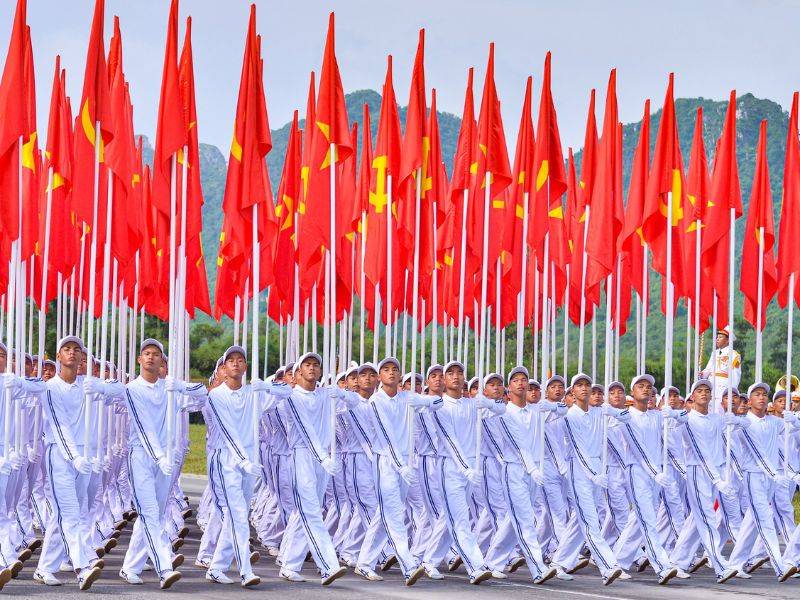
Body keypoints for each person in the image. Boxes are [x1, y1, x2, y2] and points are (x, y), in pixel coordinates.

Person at [118, 338, 205, 588]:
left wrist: (180, 386)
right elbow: (144, 428)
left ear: (162, 361)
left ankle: (129, 567)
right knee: (150, 514)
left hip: (165, 457)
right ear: (139, 359)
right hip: (143, 456)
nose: (151, 357)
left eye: (156, 354)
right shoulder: (132, 389)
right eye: (146, 353)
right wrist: (159, 457)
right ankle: (164, 567)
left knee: (152, 514)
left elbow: (201, 398)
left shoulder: (169, 389)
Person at [204, 345, 293, 587]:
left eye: (240, 360)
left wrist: (266, 386)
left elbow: (287, 390)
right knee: (239, 517)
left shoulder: (253, 393)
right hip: (229, 461)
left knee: (237, 517)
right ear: (224, 367)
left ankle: (216, 567)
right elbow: (228, 431)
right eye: (231, 360)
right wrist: (243, 460)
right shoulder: (216, 395)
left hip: (249, 463)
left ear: (245, 366)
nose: (235, 363)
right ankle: (245, 570)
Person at [354, 357, 442, 585]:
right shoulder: (376, 401)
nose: (391, 373)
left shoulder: (407, 398)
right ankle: (409, 564)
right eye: (386, 370)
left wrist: (437, 400)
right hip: (385, 463)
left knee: (384, 515)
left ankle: (364, 562)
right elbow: (386, 436)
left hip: (405, 464)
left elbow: (432, 402)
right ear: (379, 376)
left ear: (400, 375)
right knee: (393, 513)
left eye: (395, 369)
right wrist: (401, 465)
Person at [33, 336, 106, 589]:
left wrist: (100, 389)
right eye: (67, 349)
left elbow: (120, 390)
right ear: (59, 356)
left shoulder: (87, 385)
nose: (72, 353)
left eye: (77, 350)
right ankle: (82, 566)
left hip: (83, 458)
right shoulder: (50, 388)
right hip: (61, 457)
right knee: (71, 514)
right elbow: (60, 426)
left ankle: (44, 569)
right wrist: (74, 457)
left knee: (64, 515)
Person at [484, 365, 561, 584]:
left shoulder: (536, 410)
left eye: (524, 379)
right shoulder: (505, 412)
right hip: (515, 468)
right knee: (526, 518)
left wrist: (553, 405)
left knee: (513, 518)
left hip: (534, 472)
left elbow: (562, 409)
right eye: (516, 380)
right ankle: (537, 566)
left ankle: (492, 562)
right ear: (509, 387)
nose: (521, 383)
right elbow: (517, 445)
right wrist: (532, 468)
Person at [430, 360, 505, 585]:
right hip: (451, 467)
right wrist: (465, 467)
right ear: (443, 380)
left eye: (460, 373)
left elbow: (502, 408)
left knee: (449, 518)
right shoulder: (439, 405)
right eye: (450, 373)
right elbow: (450, 441)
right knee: (461, 518)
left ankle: (427, 560)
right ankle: (475, 565)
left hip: (471, 468)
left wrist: (488, 404)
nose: (455, 376)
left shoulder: (472, 404)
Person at [550, 373, 629, 585]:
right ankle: (608, 565)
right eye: (579, 385)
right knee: (590, 521)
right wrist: (593, 474)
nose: (585, 389)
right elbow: (578, 449)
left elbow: (625, 416)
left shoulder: (598, 413)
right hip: (580, 471)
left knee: (580, 520)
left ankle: (558, 563)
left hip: (597, 471)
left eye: (587, 385)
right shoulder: (569, 416)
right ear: (572, 392)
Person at [277, 352, 348, 585]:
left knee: (307, 511)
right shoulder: (291, 396)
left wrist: (342, 393)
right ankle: (328, 565)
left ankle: (289, 564)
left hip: (323, 459)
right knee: (312, 513)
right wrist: (322, 457)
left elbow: (354, 402)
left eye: (316, 365)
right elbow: (305, 429)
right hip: (302, 456)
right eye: (307, 365)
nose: (312, 368)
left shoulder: (325, 395)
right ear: (297, 374)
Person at [669, 378, 739, 583]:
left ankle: (677, 562)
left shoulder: (717, 418)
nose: (704, 393)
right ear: (692, 396)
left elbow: (735, 421)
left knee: (696, 520)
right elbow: (674, 418)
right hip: (698, 471)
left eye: (707, 390)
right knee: (707, 518)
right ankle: (720, 565)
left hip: (715, 472)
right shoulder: (687, 419)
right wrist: (671, 412)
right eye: (699, 390)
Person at [727, 382, 797, 582]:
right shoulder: (744, 423)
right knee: (765, 518)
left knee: (751, 522)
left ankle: (734, 564)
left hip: (771, 478)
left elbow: (792, 430)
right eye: (757, 394)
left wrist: (794, 420)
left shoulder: (774, 422)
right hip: (753, 475)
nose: (762, 397)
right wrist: (730, 421)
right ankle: (780, 565)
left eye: (764, 394)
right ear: (749, 401)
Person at [700, 327, 741, 412]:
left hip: (723, 386)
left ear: (728, 340)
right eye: (717, 337)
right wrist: (702, 374)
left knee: (720, 410)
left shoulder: (733, 354)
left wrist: (731, 392)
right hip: (712, 384)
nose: (717, 339)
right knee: (709, 408)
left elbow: (736, 375)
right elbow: (708, 369)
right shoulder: (714, 353)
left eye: (720, 337)